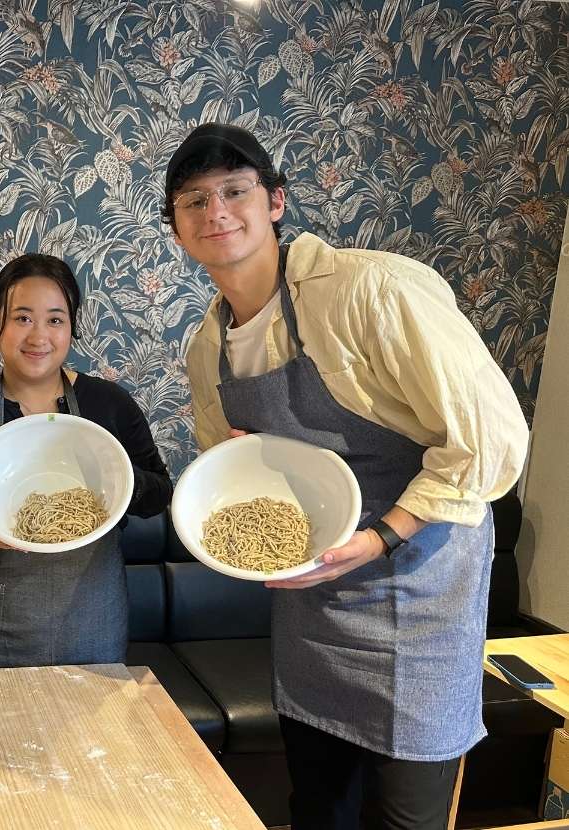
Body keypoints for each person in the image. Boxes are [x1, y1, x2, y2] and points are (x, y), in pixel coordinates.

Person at [164, 122, 529, 829]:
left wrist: (382, 536)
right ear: (176, 229)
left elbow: (489, 439)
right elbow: (224, 460)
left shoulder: (372, 290)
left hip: (418, 595)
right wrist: (245, 469)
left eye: (234, 191)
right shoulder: (209, 346)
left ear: (275, 201)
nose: (216, 213)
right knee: (319, 807)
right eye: (194, 201)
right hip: (314, 603)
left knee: (405, 819)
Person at [0, 253, 173, 668]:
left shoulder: (108, 405)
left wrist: (121, 480)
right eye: (22, 318)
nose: (38, 335)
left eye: (55, 319)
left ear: (72, 327)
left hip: (95, 616)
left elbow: (159, 494)